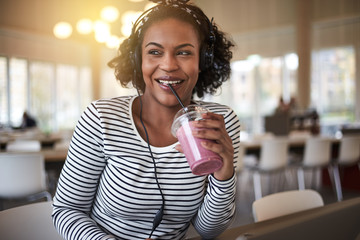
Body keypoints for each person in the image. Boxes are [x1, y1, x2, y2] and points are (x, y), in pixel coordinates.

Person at [52, 0, 241, 239]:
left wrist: (224, 177)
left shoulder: (218, 122)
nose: (169, 65)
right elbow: (67, 210)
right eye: (154, 52)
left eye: (184, 52)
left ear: (203, 61)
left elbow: (208, 230)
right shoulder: (101, 118)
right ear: (138, 60)